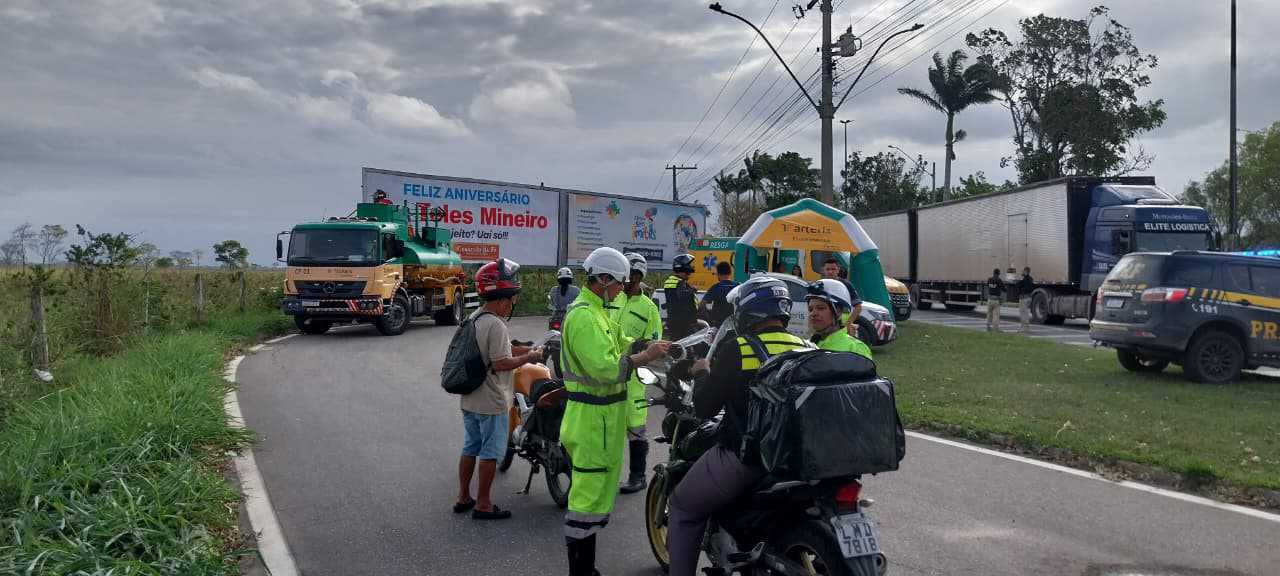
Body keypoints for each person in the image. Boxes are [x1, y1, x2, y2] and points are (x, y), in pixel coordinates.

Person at [667, 276, 813, 576]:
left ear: (747, 309)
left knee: (683, 507)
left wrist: (701, 373)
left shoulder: (739, 348)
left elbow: (706, 407)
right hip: (797, 458)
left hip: (749, 458)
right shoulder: (806, 347)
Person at [560, 247, 670, 576]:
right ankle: (580, 571)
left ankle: (587, 568)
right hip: (591, 421)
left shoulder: (600, 312)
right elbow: (606, 369)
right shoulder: (583, 317)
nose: (623, 289)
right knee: (586, 500)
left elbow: (621, 341)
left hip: (603, 421)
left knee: (595, 498)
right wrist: (645, 357)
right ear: (604, 280)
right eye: (620, 283)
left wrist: (657, 347)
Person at [455, 258, 542, 520]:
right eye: (512, 297)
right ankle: (483, 503)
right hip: (492, 400)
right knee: (491, 453)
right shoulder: (496, 323)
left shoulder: (475, 317)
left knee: (470, 447)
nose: (513, 303)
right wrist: (529, 358)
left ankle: (463, 497)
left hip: (470, 396)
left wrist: (525, 350)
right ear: (502, 296)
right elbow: (501, 361)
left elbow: (495, 350)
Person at [615, 253, 664, 495]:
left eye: (631, 276)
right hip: (609, 371)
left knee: (636, 427)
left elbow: (655, 343)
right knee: (609, 428)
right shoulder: (611, 298)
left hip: (634, 377)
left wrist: (641, 345)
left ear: (639, 276)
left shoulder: (648, 309)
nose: (626, 280)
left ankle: (638, 476)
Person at [806, 279, 872, 360]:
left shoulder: (855, 349)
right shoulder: (806, 345)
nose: (813, 313)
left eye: (820, 308)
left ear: (839, 312)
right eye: (810, 309)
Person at [663, 253, 699, 340]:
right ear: (683, 267)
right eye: (689, 265)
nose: (690, 268)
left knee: (675, 343)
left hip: (673, 320)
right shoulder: (680, 282)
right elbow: (682, 295)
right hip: (683, 322)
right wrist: (693, 289)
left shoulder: (670, 281)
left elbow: (673, 300)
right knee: (686, 345)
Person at [821, 257, 861, 333]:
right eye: (828, 269)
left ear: (838, 270)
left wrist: (848, 323)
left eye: (833, 269)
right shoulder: (820, 284)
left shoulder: (846, 285)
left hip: (841, 326)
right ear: (824, 270)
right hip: (824, 325)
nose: (830, 272)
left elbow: (858, 307)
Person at [699, 261, 738, 328]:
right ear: (730, 273)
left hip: (719, 326)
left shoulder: (715, 287)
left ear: (718, 274)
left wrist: (709, 319)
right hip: (735, 324)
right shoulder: (738, 286)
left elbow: (702, 305)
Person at [986, 268, 1005, 332]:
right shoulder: (999, 280)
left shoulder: (989, 279)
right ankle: (995, 329)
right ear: (998, 274)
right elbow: (1003, 289)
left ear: (993, 273)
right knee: (996, 315)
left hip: (989, 299)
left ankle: (988, 327)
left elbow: (988, 286)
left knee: (989, 314)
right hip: (996, 300)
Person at [1017, 267, 1034, 333]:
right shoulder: (1031, 279)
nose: (1022, 272)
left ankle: (1024, 328)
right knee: (1025, 313)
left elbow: (1018, 285)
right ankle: (1025, 327)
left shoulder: (1024, 279)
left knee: (1023, 314)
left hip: (1023, 298)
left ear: (1025, 271)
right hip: (1029, 297)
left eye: (1023, 271)